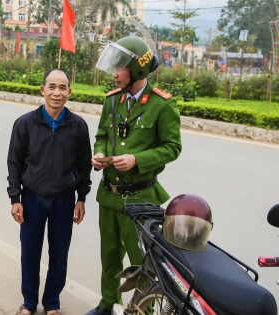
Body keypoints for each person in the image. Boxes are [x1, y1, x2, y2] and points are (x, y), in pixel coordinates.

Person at [85, 37, 182, 315]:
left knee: (141, 260)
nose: (114, 74)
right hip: (110, 195)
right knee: (110, 255)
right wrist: (100, 154)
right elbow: (103, 135)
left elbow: (172, 147)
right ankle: (107, 303)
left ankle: (141, 310)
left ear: (138, 70)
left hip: (140, 198)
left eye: (120, 68)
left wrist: (137, 160)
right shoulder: (112, 100)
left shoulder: (163, 105)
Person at [7, 69, 93, 315]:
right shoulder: (25, 123)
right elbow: (14, 162)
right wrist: (16, 198)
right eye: (52, 87)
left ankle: (52, 303)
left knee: (59, 255)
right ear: (42, 90)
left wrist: (81, 198)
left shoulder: (78, 126)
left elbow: (84, 165)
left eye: (63, 87)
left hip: (64, 200)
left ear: (69, 92)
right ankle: (29, 302)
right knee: (30, 254)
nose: (57, 92)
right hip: (32, 198)